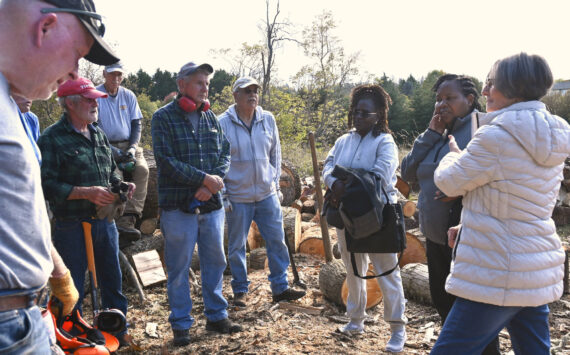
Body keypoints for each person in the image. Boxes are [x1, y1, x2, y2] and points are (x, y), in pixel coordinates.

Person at [430, 53, 570, 354]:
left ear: (511, 88)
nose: (484, 92)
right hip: (533, 271)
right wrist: (468, 225)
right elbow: (518, 198)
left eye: (490, 84)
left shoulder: (496, 135)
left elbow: (448, 182)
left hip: (495, 271)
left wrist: (453, 153)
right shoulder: (557, 133)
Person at [0, 0, 118, 353]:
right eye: (77, 54)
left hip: (25, 317)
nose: (74, 72)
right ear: (45, 27)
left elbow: (17, 207)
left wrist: (57, 270)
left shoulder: (11, 107)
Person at [400, 75, 501, 354]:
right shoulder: (437, 133)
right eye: (439, 99)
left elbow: (491, 175)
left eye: (450, 98)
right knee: (445, 306)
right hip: (434, 237)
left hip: (468, 238)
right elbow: (407, 172)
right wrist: (431, 133)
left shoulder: (481, 130)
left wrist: (460, 189)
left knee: (473, 315)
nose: (441, 104)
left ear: (469, 100)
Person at [151, 61, 243, 347]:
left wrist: (214, 180)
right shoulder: (162, 118)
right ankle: (181, 325)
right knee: (178, 268)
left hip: (211, 205)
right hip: (178, 206)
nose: (205, 88)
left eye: (207, 83)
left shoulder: (210, 117)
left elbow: (224, 152)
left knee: (215, 260)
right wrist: (204, 179)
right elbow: (166, 162)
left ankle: (217, 315)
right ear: (182, 85)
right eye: (199, 83)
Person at [38, 78, 134, 345]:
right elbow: (45, 184)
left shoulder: (98, 133)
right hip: (71, 225)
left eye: (95, 99)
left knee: (112, 280)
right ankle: (71, 338)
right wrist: (85, 192)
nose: (96, 104)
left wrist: (120, 185)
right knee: (73, 287)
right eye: (89, 99)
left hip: (104, 222)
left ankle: (116, 330)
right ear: (70, 103)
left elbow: (110, 171)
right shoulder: (51, 138)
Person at [323, 84, 407, 353]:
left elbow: (380, 175)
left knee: (386, 272)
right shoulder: (344, 140)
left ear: (379, 114)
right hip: (346, 214)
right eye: (355, 112)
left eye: (365, 113)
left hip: (378, 215)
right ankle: (356, 319)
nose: (358, 117)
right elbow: (328, 165)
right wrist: (333, 181)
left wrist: (344, 184)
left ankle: (397, 328)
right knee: (352, 268)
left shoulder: (385, 142)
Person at [218, 76, 306, 308]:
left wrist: (275, 186)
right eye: (246, 91)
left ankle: (280, 288)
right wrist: (224, 193)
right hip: (237, 197)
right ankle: (240, 290)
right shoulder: (222, 123)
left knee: (277, 241)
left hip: (266, 195)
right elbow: (217, 161)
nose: (252, 95)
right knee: (237, 246)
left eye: (255, 90)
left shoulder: (268, 119)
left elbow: (275, 156)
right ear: (235, 95)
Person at [96, 61, 149, 243]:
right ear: (104, 74)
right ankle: (114, 220)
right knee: (115, 176)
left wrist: (133, 147)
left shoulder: (128, 95)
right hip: (104, 144)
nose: (116, 79)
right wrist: (113, 151)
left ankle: (130, 218)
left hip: (128, 144)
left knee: (142, 170)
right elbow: (93, 128)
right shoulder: (96, 95)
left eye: (119, 75)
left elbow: (136, 123)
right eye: (112, 75)